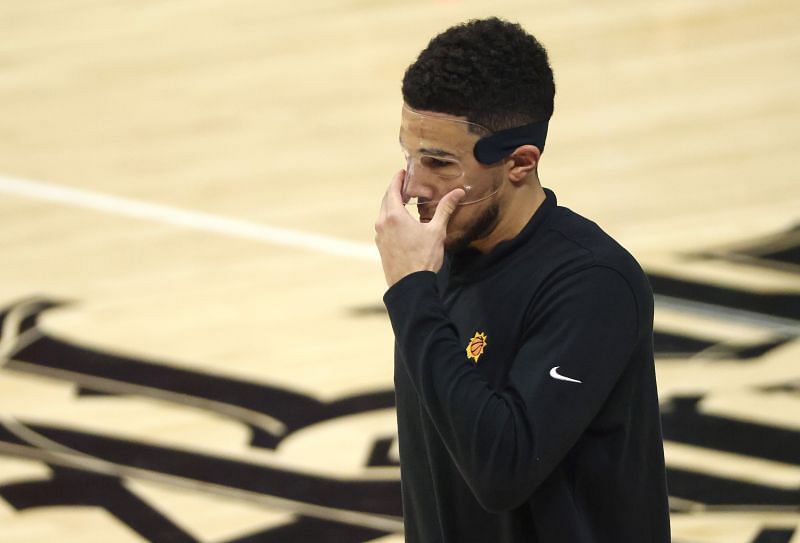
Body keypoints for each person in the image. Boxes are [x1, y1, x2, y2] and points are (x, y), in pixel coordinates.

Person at [374, 17, 671, 543]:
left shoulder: (593, 285)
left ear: (520, 162)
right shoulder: (440, 260)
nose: (415, 186)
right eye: (409, 156)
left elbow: (501, 468)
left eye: (440, 163)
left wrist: (412, 294)